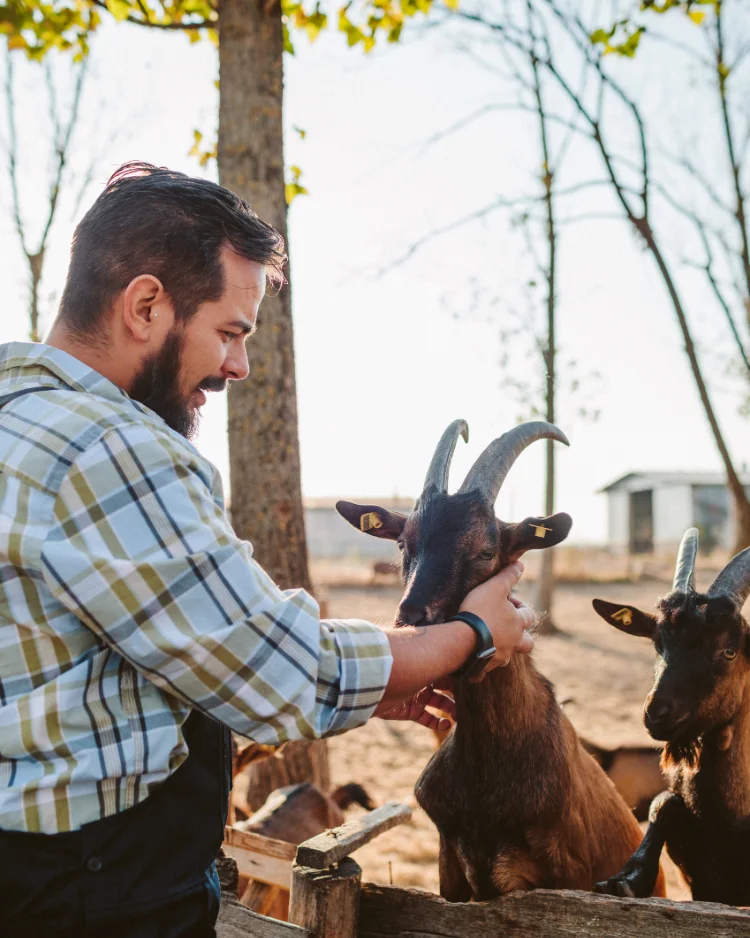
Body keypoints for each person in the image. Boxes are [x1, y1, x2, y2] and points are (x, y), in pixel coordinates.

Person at [0, 162, 534, 938]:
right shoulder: (113, 449)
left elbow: (93, 662)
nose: (238, 367)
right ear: (146, 305)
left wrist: (365, 683)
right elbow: (285, 671)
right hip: (95, 893)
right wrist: (471, 634)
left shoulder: (18, 420)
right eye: (229, 331)